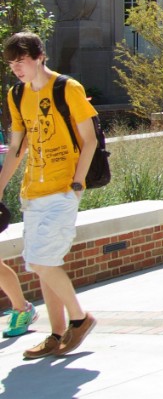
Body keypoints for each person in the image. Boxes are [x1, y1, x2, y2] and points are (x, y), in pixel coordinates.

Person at [0, 32, 98, 359]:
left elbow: (89, 140)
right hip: (33, 190)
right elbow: (16, 147)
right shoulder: (16, 95)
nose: (16, 67)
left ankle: (80, 320)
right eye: (12, 62)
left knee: (41, 260)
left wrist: (78, 182)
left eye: (22, 60)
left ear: (40, 56)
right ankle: (56, 335)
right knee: (44, 264)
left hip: (62, 188)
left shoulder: (67, 88)